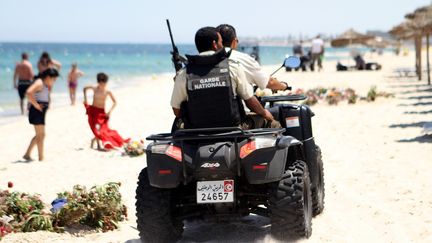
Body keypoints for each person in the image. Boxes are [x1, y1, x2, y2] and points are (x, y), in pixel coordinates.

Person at [171, 27, 273, 129]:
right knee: (270, 121)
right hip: (232, 131)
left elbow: (177, 110)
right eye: (221, 42)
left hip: (196, 133)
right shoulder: (233, 67)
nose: (222, 46)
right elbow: (250, 101)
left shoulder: (184, 74)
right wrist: (265, 113)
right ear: (215, 44)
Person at [216, 24, 289, 92]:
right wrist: (284, 86)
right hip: (235, 104)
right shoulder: (242, 59)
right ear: (235, 41)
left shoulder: (208, 58)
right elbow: (269, 82)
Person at [83, 73, 128, 150]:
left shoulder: (108, 91)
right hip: (93, 111)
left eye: (104, 83)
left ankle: (94, 140)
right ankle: (98, 144)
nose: (102, 84)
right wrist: (85, 99)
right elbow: (84, 88)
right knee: (96, 129)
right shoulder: (94, 88)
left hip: (102, 112)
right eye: (100, 83)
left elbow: (114, 102)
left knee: (103, 130)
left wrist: (109, 112)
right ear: (98, 82)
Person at [23, 68, 59, 161]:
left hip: (40, 111)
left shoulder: (44, 83)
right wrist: (36, 105)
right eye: (53, 79)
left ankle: (27, 154)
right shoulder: (39, 82)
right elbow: (28, 92)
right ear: (48, 77)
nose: (54, 82)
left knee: (40, 135)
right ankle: (41, 157)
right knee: (41, 135)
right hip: (36, 111)